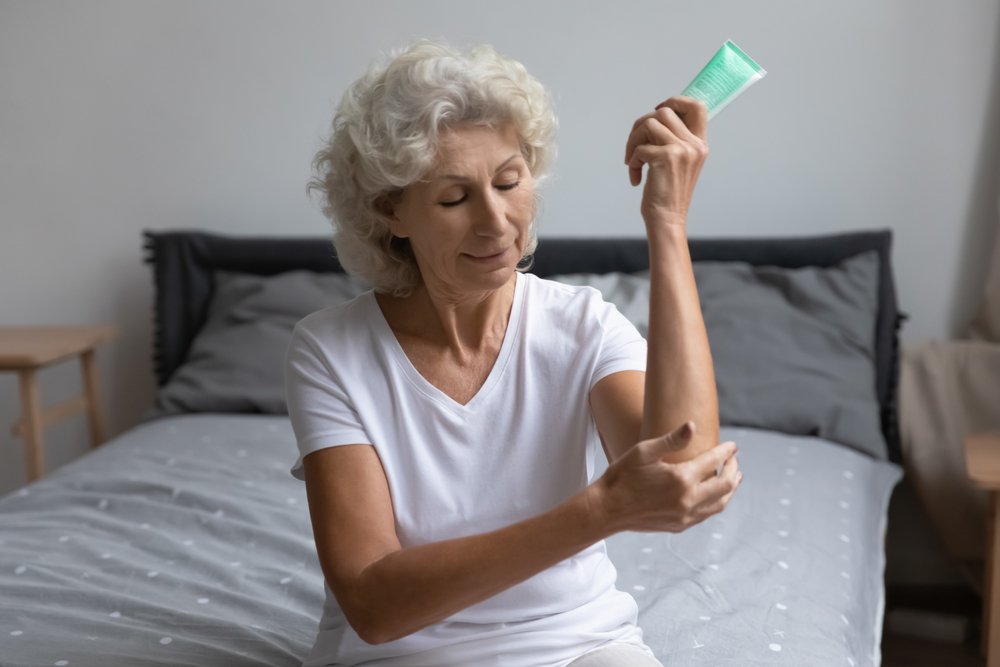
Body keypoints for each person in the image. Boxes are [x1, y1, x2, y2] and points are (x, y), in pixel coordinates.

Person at [287, 40, 742, 667]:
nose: (497, 222)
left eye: (509, 181)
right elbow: (374, 604)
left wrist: (667, 221)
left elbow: (685, 472)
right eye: (454, 198)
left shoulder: (582, 325)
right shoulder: (330, 351)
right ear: (391, 211)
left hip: (580, 646)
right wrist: (600, 509)